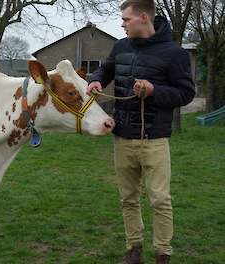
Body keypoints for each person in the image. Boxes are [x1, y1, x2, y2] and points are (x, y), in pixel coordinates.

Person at [87, 0, 195, 263]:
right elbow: (106, 69)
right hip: (123, 138)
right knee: (128, 199)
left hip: (155, 141)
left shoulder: (174, 53)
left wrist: (154, 90)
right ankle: (134, 250)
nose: (122, 24)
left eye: (126, 20)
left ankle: (163, 254)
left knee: (160, 200)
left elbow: (186, 93)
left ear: (143, 18)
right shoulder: (121, 46)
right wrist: (96, 79)